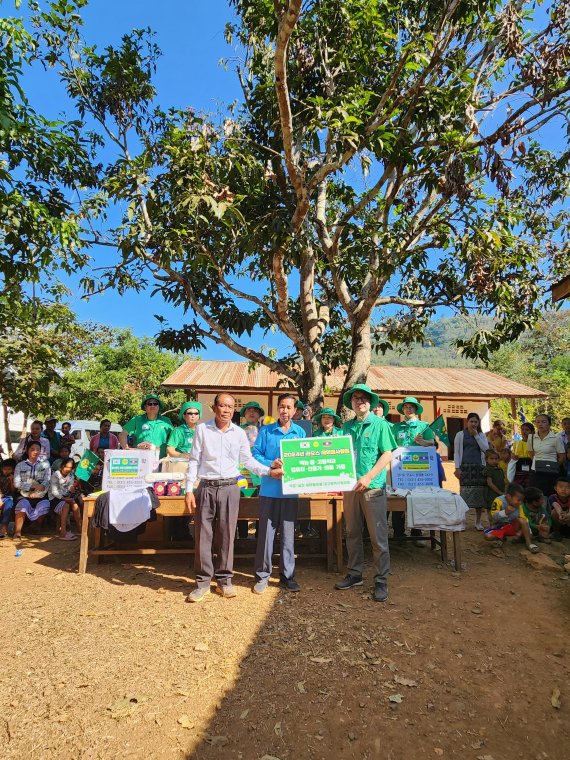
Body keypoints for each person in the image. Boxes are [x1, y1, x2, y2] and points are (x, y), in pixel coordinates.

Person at [185, 392, 282, 602]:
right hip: (206, 487)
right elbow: (194, 459)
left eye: (230, 407)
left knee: (227, 534)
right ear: (214, 407)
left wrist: (268, 470)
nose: (227, 410)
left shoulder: (238, 433)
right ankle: (202, 583)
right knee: (203, 535)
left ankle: (224, 580)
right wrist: (187, 489)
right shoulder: (202, 429)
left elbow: (247, 461)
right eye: (222, 406)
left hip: (230, 488)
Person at [335, 384, 397, 602]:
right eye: (355, 398)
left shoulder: (380, 425)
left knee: (377, 536)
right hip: (350, 488)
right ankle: (355, 573)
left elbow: (387, 454)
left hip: (372, 488)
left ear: (370, 402)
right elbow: (337, 453)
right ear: (351, 403)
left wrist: (369, 477)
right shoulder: (346, 427)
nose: (359, 401)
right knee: (352, 532)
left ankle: (381, 579)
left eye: (363, 398)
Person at [251, 394, 306, 594]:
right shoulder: (266, 431)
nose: (285, 411)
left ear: (294, 410)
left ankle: (287, 577)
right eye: (281, 407)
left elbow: (305, 458)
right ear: (277, 408)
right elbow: (255, 455)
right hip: (269, 490)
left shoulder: (299, 432)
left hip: (290, 492)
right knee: (266, 535)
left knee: (289, 537)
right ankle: (262, 576)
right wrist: (271, 463)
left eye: (288, 407)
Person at [391, 396, 435, 545]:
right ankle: (398, 533)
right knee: (398, 499)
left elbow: (433, 443)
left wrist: (424, 442)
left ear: (416, 409)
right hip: (399, 471)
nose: (408, 409)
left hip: (418, 471)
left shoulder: (424, 426)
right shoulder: (395, 427)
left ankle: (417, 532)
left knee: (417, 499)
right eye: (406, 407)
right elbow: (390, 446)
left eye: (411, 407)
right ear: (403, 409)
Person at [453, 413, 489, 531]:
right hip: (465, 468)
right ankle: (463, 522)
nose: (473, 424)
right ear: (467, 422)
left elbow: (486, 449)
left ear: (478, 423)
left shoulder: (481, 435)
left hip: (479, 468)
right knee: (464, 495)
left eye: (476, 422)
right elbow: (457, 452)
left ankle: (477, 522)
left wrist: (476, 436)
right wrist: (457, 468)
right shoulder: (460, 435)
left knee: (479, 496)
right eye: (471, 421)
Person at [483, 482, 538, 552]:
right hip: (499, 526)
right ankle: (502, 537)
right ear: (509, 496)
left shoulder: (519, 505)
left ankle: (529, 543)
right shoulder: (498, 501)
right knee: (488, 536)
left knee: (523, 523)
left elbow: (523, 518)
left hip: (513, 526)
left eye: (522, 500)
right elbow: (493, 516)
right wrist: (504, 512)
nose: (520, 502)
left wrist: (524, 530)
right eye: (518, 500)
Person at [13, 441, 51, 539]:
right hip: (24, 495)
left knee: (45, 504)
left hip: (40, 495)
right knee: (22, 505)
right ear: (27, 450)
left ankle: (36, 525)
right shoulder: (20, 465)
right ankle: (17, 532)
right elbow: (17, 484)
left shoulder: (45, 465)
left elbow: (47, 481)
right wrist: (32, 487)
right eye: (32, 449)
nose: (35, 452)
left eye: (38, 449)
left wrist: (38, 493)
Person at [119, 394, 174, 458]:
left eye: (155, 404)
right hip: (141, 460)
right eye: (150, 404)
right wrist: (126, 449)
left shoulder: (166, 421)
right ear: (145, 407)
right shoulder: (136, 420)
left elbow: (174, 439)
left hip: (161, 460)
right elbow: (122, 434)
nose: (152, 406)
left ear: (159, 406)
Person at [527, 414, 566, 496]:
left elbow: (562, 457)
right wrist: (538, 463)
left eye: (543, 422)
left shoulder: (556, 438)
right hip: (535, 471)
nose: (540, 424)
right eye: (538, 422)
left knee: (549, 496)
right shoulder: (531, 437)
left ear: (549, 424)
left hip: (551, 472)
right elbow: (530, 454)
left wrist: (553, 466)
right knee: (534, 496)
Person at [48, 457, 82, 540]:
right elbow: (54, 492)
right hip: (54, 498)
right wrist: (64, 498)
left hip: (66, 496)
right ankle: (63, 532)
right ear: (62, 466)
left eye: (70, 468)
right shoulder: (56, 475)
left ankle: (80, 529)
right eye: (66, 467)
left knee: (75, 506)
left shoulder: (70, 475)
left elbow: (70, 487)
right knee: (66, 505)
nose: (67, 469)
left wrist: (71, 488)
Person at [483, 449, 506, 520]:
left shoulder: (499, 469)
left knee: (499, 508)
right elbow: (490, 483)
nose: (494, 461)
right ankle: (491, 526)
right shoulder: (488, 469)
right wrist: (499, 492)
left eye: (496, 459)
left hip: (500, 493)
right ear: (486, 460)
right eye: (491, 458)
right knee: (491, 509)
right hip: (491, 494)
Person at [511, 422, 535, 487]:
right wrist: (512, 456)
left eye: (527, 430)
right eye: (522, 429)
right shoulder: (517, 442)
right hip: (519, 467)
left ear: (532, 432)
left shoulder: (535, 442)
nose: (524, 432)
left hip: (531, 467)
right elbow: (513, 454)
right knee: (518, 487)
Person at [0, 458, 16, 538]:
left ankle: (4, 528)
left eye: (9, 469)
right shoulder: (0, 477)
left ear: (13, 470)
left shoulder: (14, 477)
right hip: (0, 496)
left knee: (9, 505)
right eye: (5, 469)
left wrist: (11, 481)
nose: (7, 471)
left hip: (9, 497)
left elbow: (13, 490)